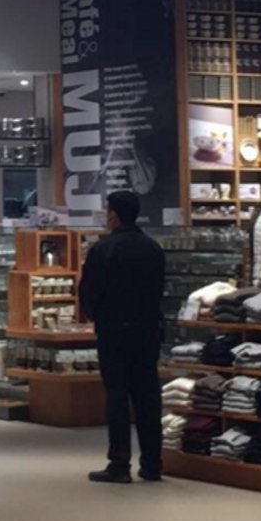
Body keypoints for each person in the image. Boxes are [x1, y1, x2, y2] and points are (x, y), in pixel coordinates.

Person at [79, 190, 166, 484]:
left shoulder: (104, 249)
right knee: (148, 395)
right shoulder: (153, 248)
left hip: (114, 330)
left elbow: (89, 292)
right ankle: (152, 463)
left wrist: (96, 315)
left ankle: (119, 463)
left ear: (114, 214)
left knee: (117, 395)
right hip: (148, 330)